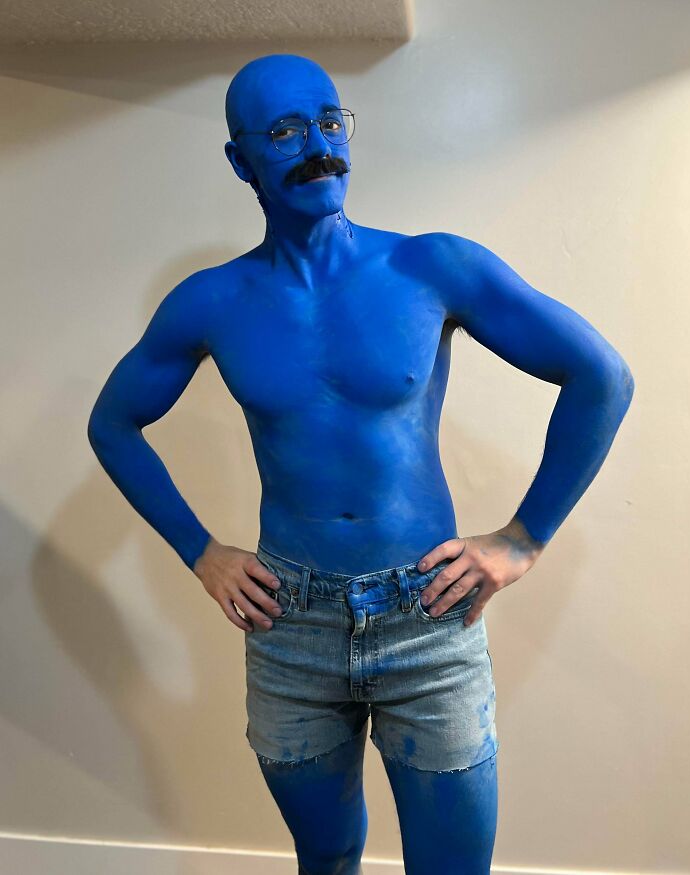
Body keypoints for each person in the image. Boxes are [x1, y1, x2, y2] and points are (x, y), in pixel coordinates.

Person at [87, 52, 634, 875]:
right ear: (242, 161)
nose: (318, 145)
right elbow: (114, 424)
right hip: (289, 628)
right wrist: (201, 552)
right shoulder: (212, 301)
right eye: (283, 130)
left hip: (426, 618)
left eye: (329, 120)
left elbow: (602, 377)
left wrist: (523, 538)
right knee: (329, 855)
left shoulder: (431, 267)